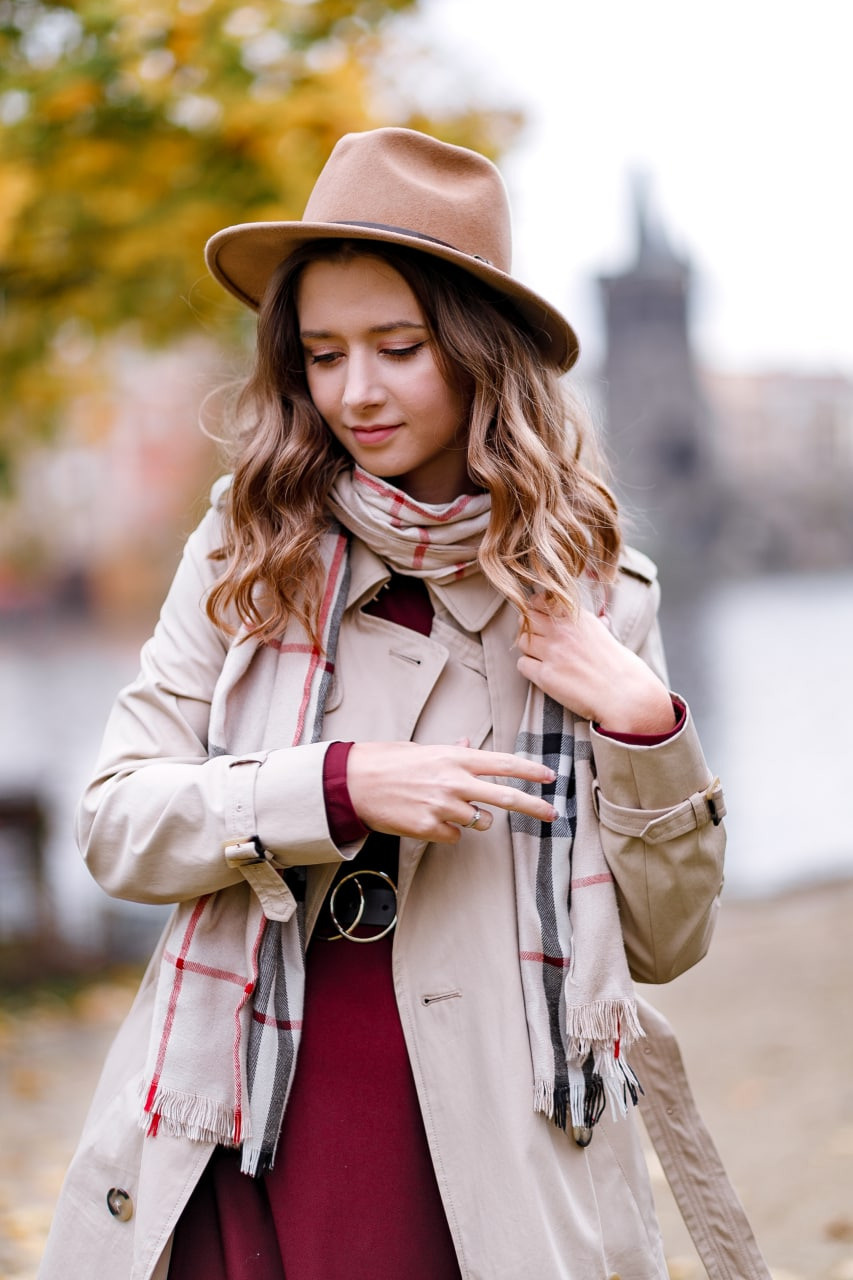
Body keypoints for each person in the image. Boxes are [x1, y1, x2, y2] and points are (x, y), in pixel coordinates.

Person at [39, 128, 761, 1280]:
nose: (356, 391)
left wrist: (642, 723)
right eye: (324, 353)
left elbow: (665, 944)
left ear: (477, 354)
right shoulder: (245, 546)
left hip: (498, 1145)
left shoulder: (594, 592)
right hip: (243, 1106)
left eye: (397, 346)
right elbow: (115, 822)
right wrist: (335, 783)